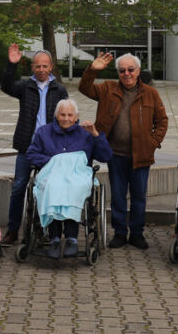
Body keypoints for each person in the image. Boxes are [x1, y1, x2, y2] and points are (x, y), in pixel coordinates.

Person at [79, 52, 166, 250]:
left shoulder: (150, 93)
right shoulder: (108, 89)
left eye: (130, 69)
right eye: (122, 70)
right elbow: (84, 88)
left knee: (138, 196)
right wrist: (92, 70)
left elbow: (162, 121)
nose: (126, 73)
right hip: (115, 153)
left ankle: (136, 234)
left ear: (138, 71)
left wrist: (153, 142)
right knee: (118, 196)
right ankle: (119, 233)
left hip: (141, 155)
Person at [0, 44, 69, 245]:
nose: (41, 69)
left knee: (47, 188)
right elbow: (6, 86)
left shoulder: (59, 90)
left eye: (45, 66)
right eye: (37, 66)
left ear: (51, 67)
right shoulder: (25, 86)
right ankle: (12, 230)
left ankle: (43, 230)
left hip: (50, 149)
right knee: (19, 187)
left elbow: (66, 118)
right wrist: (11, 64)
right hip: (27, 146)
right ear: (32, 67)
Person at [26, 99, 113, 258]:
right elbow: (31, 155)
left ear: (76, 116)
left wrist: (95, 134)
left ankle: (72, 238)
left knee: (73, 188)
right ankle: (55, 239)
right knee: (53, 186)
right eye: (62, 114)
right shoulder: (44, 132)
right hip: (51, 175)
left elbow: (106, 156)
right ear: (56, 115)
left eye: (70, 115)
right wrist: (56, 161)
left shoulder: (86, 133)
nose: (66, 118)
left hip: (77, 176)